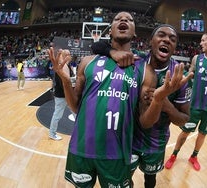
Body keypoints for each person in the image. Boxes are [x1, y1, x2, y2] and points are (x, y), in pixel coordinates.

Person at [47, 12, 190, 188]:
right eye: (118, 19)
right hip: (82, 147)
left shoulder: (146, 70)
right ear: (110, 30)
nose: (123, 20)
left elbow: (147, 122)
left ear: (135, 34)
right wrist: (66, 81)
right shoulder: (88, 62)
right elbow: (76, 107)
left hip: (121, 151)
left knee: (149, 179)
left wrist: (159, 99)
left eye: (130, 19)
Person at [91, 24, 193, 188]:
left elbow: (184, 120)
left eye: (172, 39)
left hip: (155, 143)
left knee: (150, 179)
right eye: (161, 35)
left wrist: (165, 105)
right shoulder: (135, 60)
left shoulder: (180, 77)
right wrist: (113, 52)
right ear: (150, 41)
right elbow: (96, 46)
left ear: (175, 47)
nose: (166, 39)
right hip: (128, 139)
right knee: (124, 180)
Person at [165, 32, 207, 171]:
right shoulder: (196, 59)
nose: (200, 43)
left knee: (203, 134)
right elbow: (188, 76)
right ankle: (174, 155)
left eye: (203, 41)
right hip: (194, 106)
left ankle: (194, 156)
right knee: (185, 132)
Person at [48, 63, 75, 141]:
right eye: (68, 55)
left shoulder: (67, 66)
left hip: (66, 95)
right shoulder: (61, 68)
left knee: (76, 113)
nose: (70, 56)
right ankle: (52, 134)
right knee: (57, 115)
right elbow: (63, 84)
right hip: (61, 96)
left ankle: (80, 132)